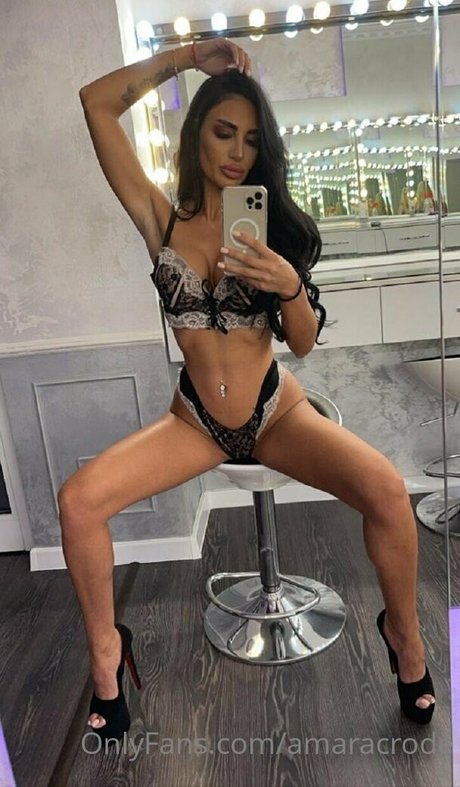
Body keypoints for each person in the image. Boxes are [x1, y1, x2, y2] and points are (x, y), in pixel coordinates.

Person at [59, 38, 435, 745]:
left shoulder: (271, 228)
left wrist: (288, 284)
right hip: (196, 421)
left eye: (252, 140)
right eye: (223, 132)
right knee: (78, 502)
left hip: (273, 411)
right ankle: (107, 653)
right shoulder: (160, 218)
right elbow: (95, 104)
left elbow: (304, 343)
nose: (236, 152)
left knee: (388, 491)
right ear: (196, 133)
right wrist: (184, 57)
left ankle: (404, 635)